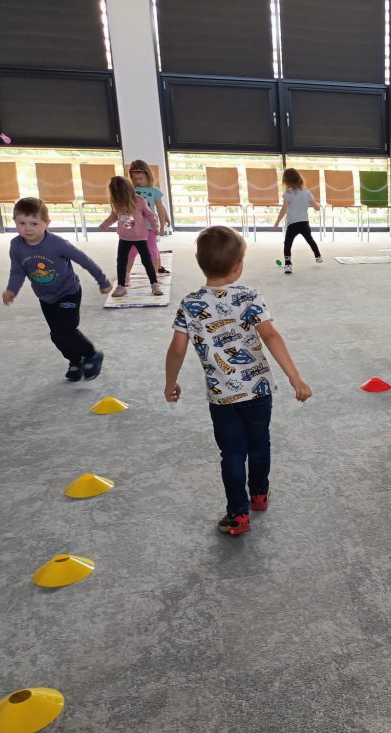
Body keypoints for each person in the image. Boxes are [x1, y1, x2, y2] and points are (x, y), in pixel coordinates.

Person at [164, 226, 312, 536]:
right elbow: (270, 334)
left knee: (232, 452)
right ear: (238, 266)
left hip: (222, 397)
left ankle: (237, 515)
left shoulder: (190, 303)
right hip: (258, 390)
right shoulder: (248, 295)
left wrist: (170, 382)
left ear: (199, 262)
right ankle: (259, 494)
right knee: (260, 442)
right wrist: (294, 377)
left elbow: (177, 348)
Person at [2, 198, 111, 381]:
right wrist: (12, 289)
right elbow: (17, 270)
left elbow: (83, 260)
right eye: (21, 223)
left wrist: (102, 280)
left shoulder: (57, 244)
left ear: (47, 223)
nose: (28, 228)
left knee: (66, 330)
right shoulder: (16, 246)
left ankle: (91, 354)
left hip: (68, 292)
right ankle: (75, 361)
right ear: (14, 222)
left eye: (34, 223)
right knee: (57, 336)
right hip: (45, 297)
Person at [99, 176, 161, 297]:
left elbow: (150, 215)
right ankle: (121, 286)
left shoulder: (140, 201)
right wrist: (105, 224)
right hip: (124, 237)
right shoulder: (116, 203)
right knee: (121, 261)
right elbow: (113, 216)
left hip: (140, 237)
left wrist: (155, 226)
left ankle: (154, 284)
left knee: (146, 260)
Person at [126, 160, 170, 278]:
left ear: (148, 176)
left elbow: (160, 210)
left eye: (140, 178)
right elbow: (125, 208)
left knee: (152, 250)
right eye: (134, 179)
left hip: (150, 228)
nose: (137, 181)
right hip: (135, 228)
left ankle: (154, 277)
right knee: (131, 252)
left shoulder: (155, 191)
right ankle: (125, 276)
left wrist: (162, 226)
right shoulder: (130, 190)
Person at [274, 168, 322, 274]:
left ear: (286, 181)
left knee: (287, 244)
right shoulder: (307, 193)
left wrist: (277, 222)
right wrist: (316, 205)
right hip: (304, 223)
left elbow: (284, 209)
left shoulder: (288, 194)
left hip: (292, 224)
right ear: (299, 179)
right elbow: (316, 207)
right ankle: (318, 256)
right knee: (310, 240)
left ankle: (288, 264)